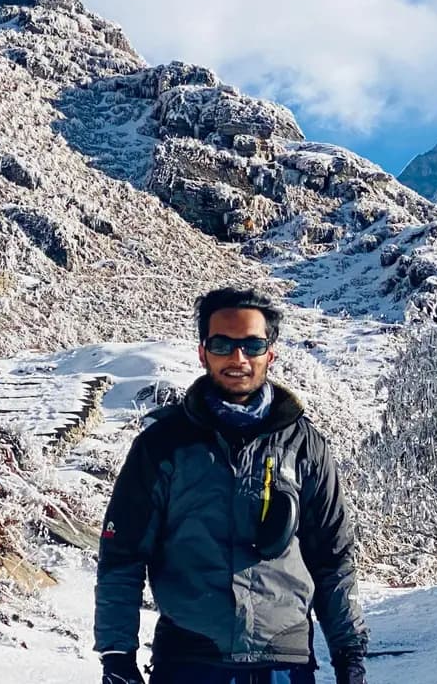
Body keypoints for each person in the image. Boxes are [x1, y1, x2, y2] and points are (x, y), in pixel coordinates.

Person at [95, 287, 368, 684]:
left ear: (270, 353)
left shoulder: (305, 444)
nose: (237, 358)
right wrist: (117, 655)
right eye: (222, 344)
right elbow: (122, 557)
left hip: (283, 662)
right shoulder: (162, 445)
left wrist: (349, 655)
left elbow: (332, 558)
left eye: (252, 345)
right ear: (203, 351)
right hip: (189, 660)